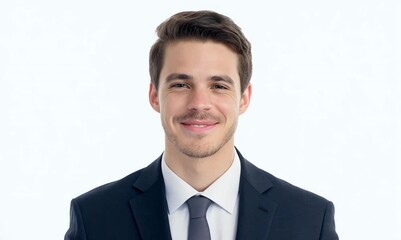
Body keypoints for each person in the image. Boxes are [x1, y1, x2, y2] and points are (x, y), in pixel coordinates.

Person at [65, 10, 338, 240]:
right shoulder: (95, 218)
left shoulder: (309, 221)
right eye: (181, 85)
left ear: (244, 99)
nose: (199, 103)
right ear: (154, 96)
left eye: (218, 86)